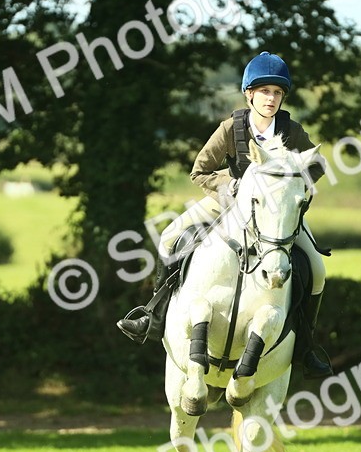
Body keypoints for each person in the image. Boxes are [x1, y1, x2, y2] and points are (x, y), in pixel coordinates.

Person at [116, 51, 333, 378]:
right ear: (250, 94)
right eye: (264, 92)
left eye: (276, 93)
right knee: (171, 236)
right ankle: (153, 317)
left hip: (273, 213)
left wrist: (292, 190)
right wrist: (231, 184)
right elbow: (199, 171)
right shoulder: (231, 128)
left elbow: (317, 165)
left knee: (316, 267)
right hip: (226, 200)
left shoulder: (291, 130)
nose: (271, 99)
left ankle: (305, 343)